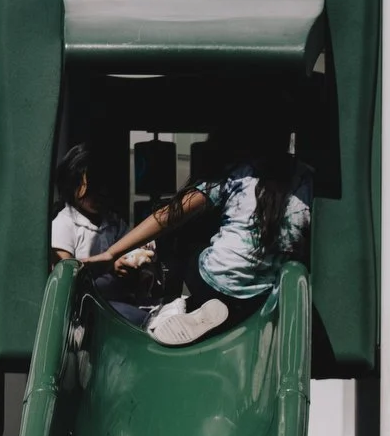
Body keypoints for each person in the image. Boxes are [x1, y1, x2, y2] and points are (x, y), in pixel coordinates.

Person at [83, 127, 310, 346]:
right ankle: (211, 310)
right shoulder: (306, 176)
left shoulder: (237, 173)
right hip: (265, 295)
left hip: (216, 284)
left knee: (186, 234)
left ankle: (177, 306)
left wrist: (111, 253)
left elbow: (169, 215)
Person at [49, 143, 158, 326]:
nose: (102, 194)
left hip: (120, 298)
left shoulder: (113, 222)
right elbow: (64, 278)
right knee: (142, 321)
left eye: (107, 188)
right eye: (94, 189)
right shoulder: (64, 224)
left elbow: (130, 247)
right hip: (86, 308)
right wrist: (109, 267)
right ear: (74, 185)